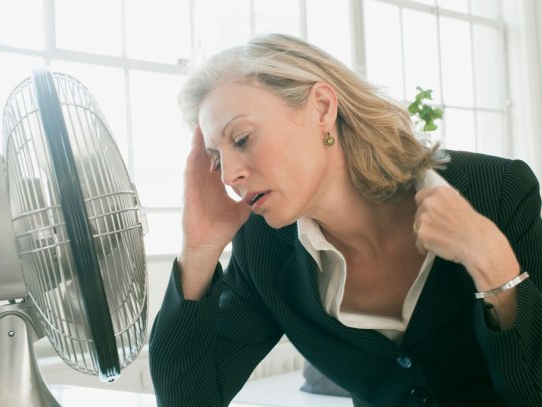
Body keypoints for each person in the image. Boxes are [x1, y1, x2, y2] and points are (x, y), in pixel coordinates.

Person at [148, 33, 542, 406]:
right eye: (216, 160)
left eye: (242, 138)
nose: (229, 175)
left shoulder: (499, 190)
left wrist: (494, 265)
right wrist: (198, 249)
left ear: (321, 107)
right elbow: (188, 399)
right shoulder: (263, 249)